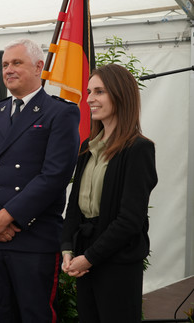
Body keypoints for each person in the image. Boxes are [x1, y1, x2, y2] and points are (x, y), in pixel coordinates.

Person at [0, 38, 80, 322]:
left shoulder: (60, 112)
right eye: (5, 64)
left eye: (17, 63)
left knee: (34, 315)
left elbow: (54, 175)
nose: (8, 70)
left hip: (33, 237)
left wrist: (8, 217)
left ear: (39, 67)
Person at [61, 64, 157, 323]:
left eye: (99, 91)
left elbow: (130, 220)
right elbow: (74, 206)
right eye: (89, 91)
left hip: (117, 263)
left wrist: (89, 259)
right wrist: (68, 248)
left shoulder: (139, 149)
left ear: (120, 94)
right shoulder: (88, 147)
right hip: (84, 256)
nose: (90, 98)